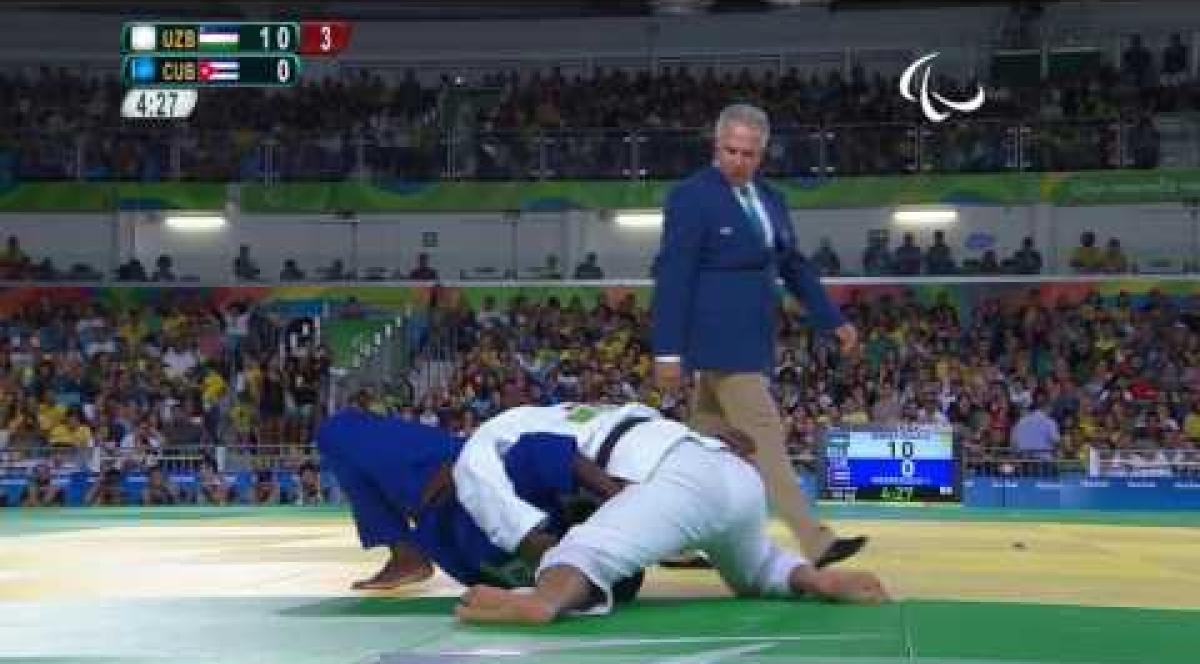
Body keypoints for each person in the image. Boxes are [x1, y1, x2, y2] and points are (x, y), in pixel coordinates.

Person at [650, 102, 864, 567]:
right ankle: (815, 539)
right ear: (716, 146)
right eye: (730, 151)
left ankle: (676, 543)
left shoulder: (772, 200)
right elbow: (674, 273)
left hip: (754, 336)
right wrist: (667, 349)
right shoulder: (691, 197)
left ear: (762, 152)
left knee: (700, 445)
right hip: (719, 343)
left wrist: (833, 319)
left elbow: (794, 266)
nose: (738, 161)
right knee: (765, 434)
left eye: (748, 153)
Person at [453, 403, 889, 625]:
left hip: (675, 476)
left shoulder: (493, 433)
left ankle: (542, 603)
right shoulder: (594, 411)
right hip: (730, 471)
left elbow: (477, 477)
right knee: (756, 567)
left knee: (582, 551)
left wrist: (529, 542)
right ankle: (818, 578)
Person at [315, 402, 644, 597]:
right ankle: (406, 553)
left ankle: (407, 553)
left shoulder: (548, 586)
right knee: (337, 431)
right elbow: (545, 451)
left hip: (430, 513)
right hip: (443, 467)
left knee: (337, 434)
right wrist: (623, 502)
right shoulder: (547, 515)